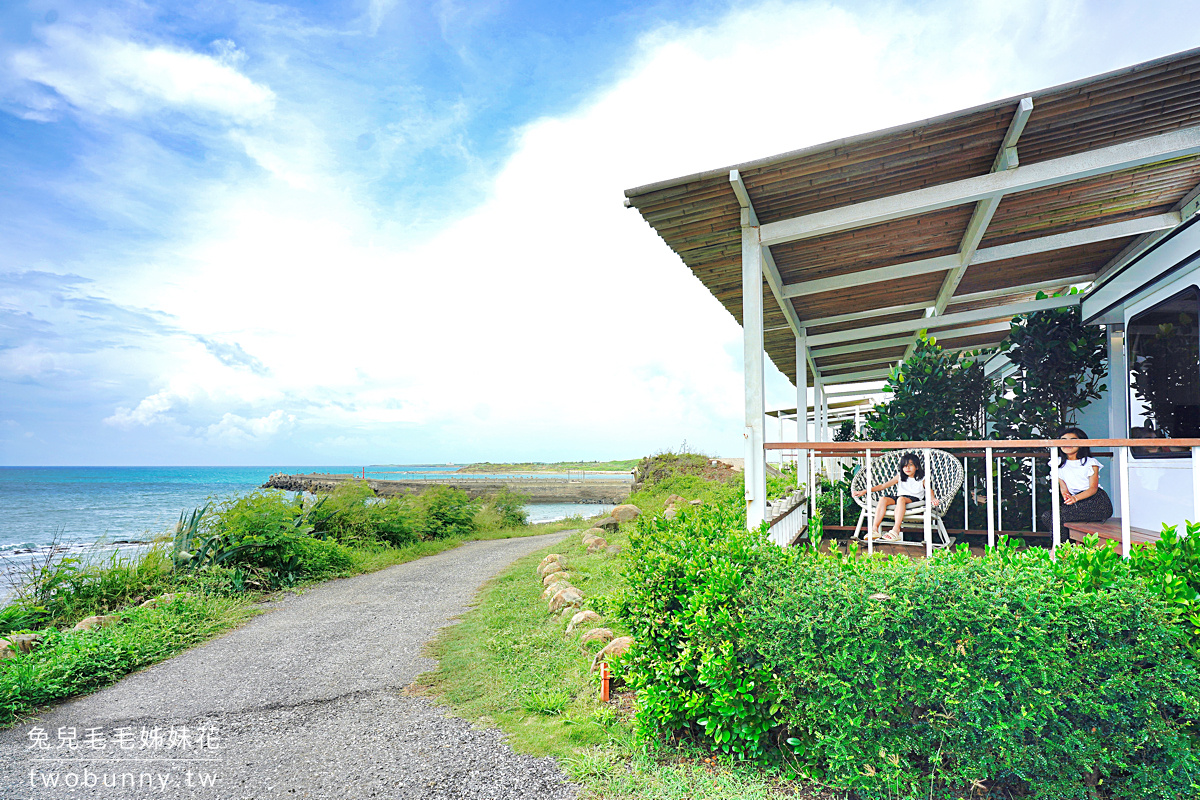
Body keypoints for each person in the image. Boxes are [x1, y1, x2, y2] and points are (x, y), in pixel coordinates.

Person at [1038, 427, 1113, 539]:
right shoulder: (1057, 463)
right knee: (1048, 516)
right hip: (1076, 502)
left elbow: (1093, 488)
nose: (1067, 443)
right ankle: (1068, 548)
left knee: (1058, 516)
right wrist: (1067, 496)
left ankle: (1057, 550)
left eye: (1073, 440)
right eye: (1063, 440)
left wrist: (1075, 498)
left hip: (1096, 501)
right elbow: (1063, 487)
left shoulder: (1090, 463)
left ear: (1081, 443)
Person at [853, 452, 939, 542]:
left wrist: (932, 498)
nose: (907, 468)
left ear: (917, 467)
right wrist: (865, 491)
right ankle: (874, 529)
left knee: (901, 499)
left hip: (914, 499)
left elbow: (929, 490)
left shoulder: (922, 478)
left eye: (910, 465)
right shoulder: (900, 477)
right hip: (899, 498)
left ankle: (896, 530)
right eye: (904, 466)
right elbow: (883, 486)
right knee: (883, 499)